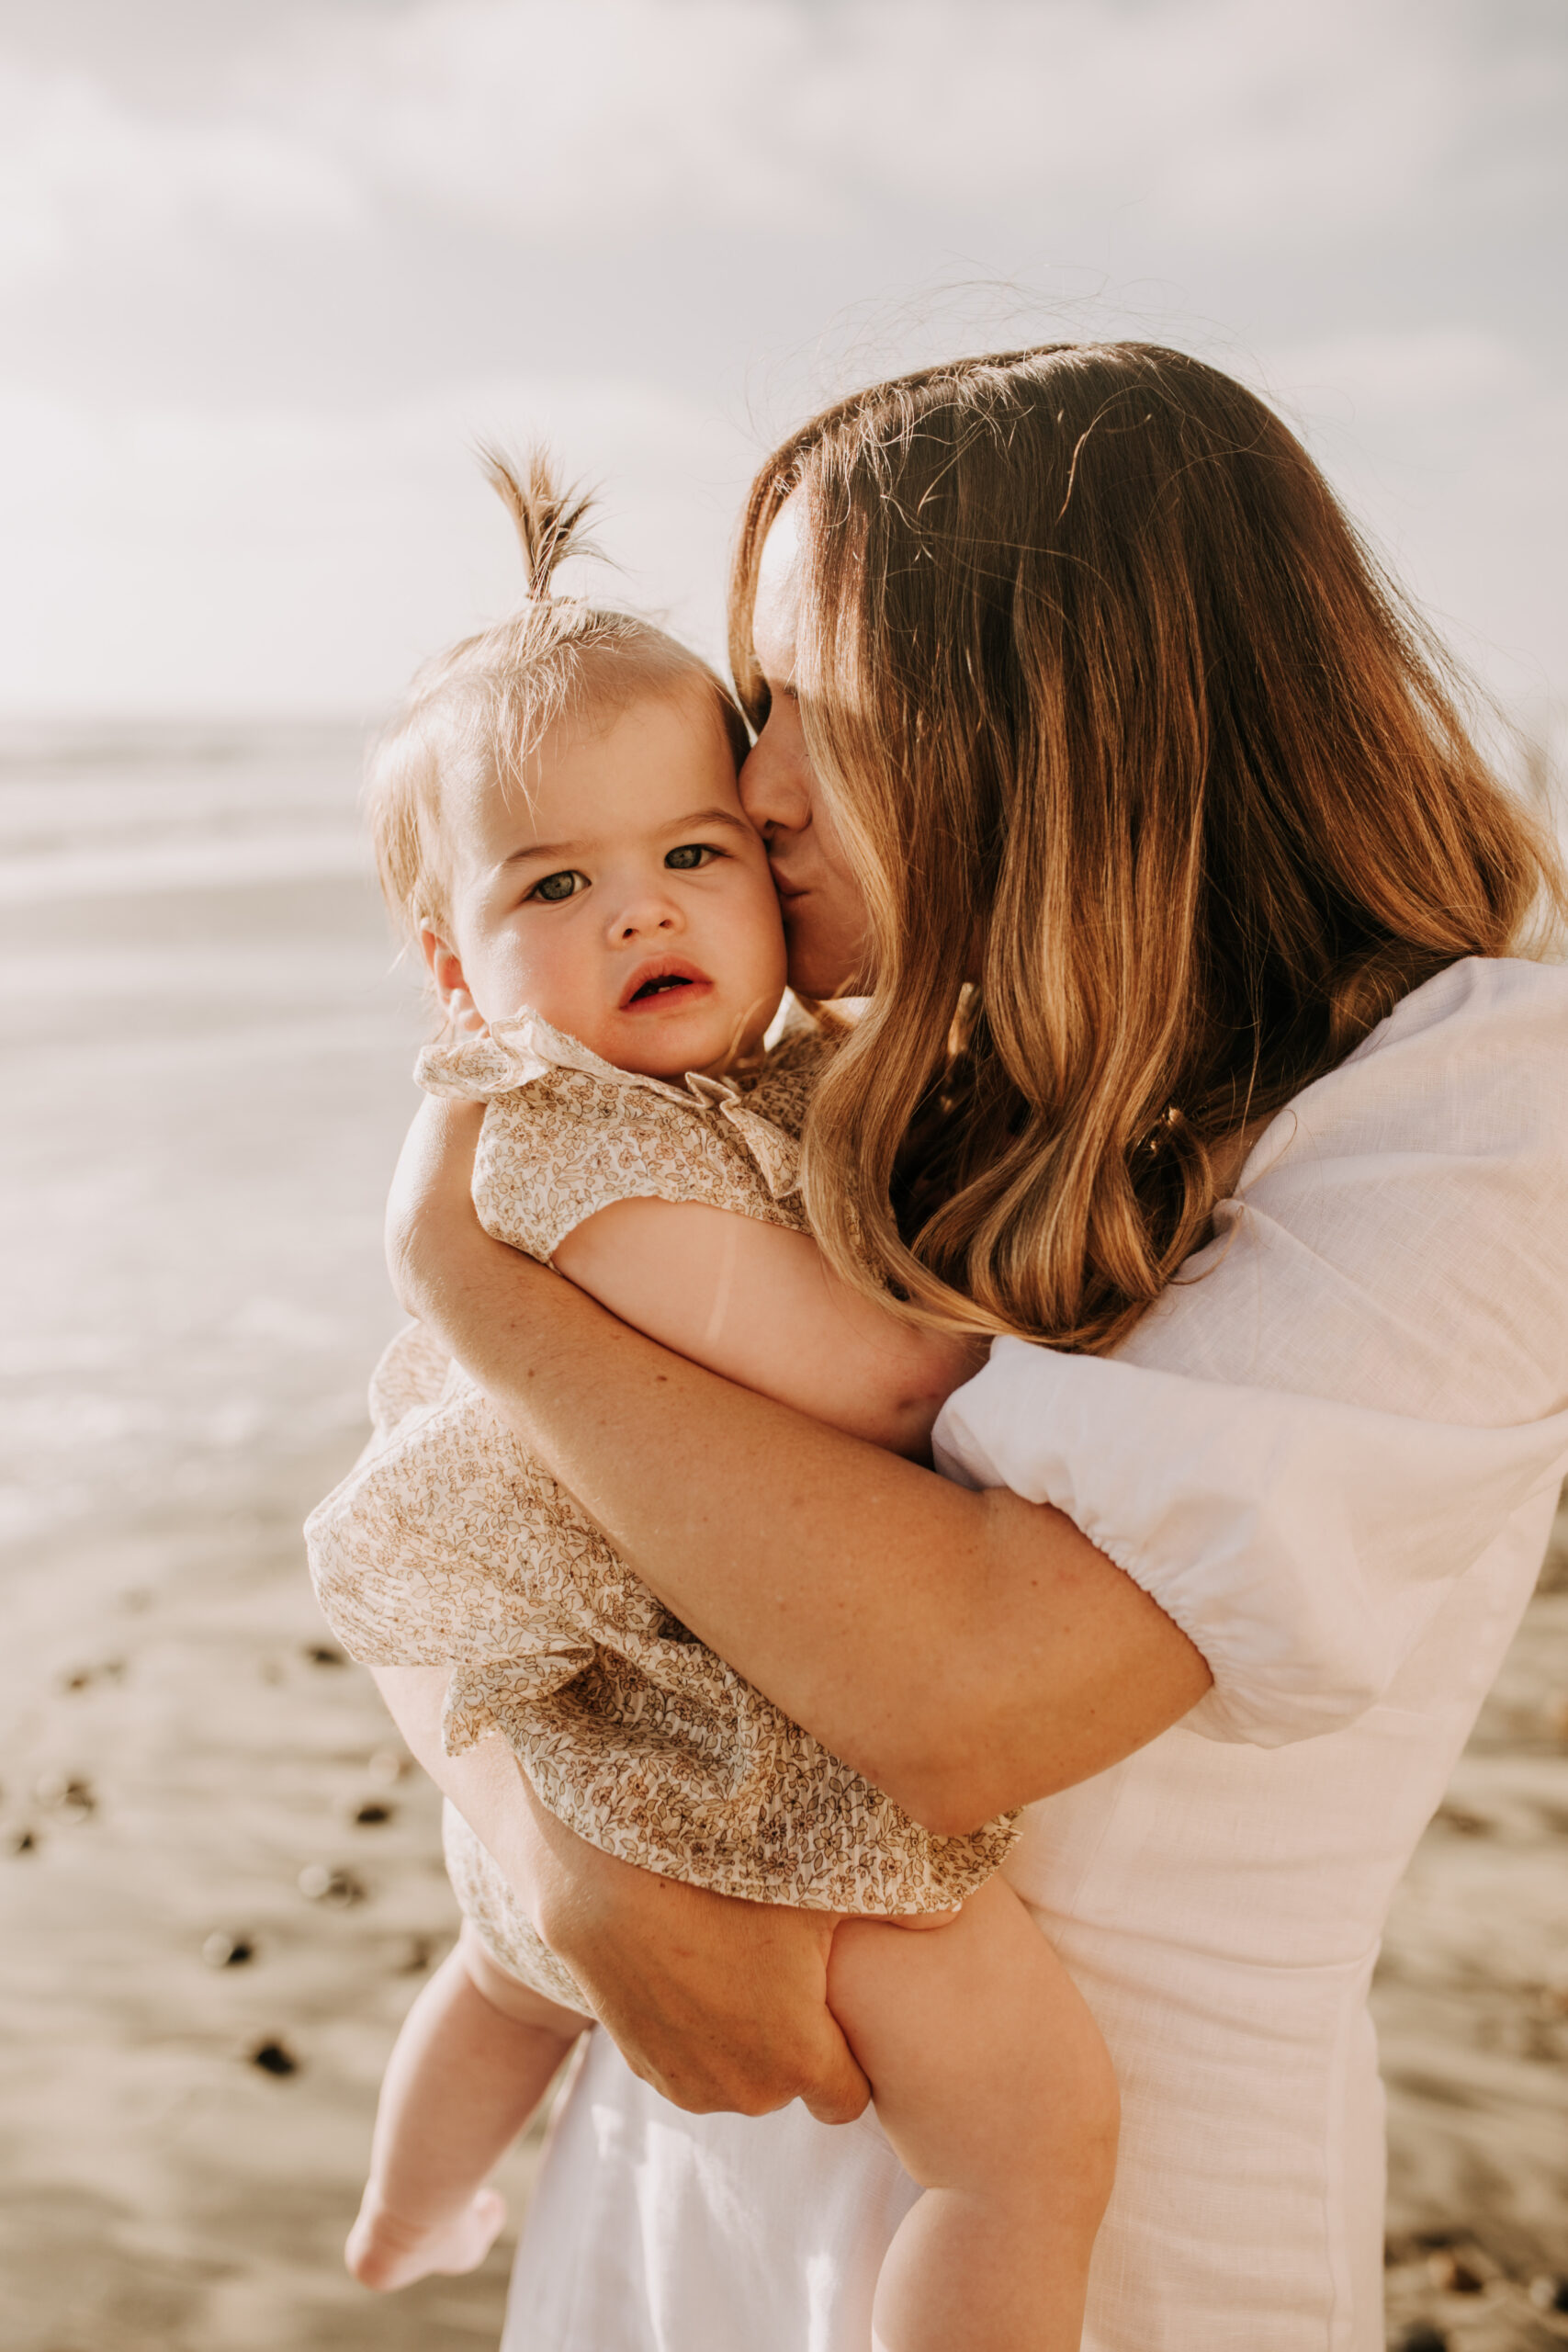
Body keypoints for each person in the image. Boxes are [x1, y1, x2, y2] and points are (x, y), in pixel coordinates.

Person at [368, 345, 1568, 2351]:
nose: (744, 795)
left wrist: (471, 1280)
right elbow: (442, 1519)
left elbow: (968, 1692)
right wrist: (556, 1844)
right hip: (689, 2152)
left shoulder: (1477, 1107)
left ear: (1063, 705)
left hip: (1106, 2243)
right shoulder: (880, 1075)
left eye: (805, 711)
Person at [313, 452, 1116, 2352]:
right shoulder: (577, 1157)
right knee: (1022, 2135)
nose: (638, 912)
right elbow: (876, 1377)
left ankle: (407, 2203)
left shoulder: (736, 1101)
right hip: (703, 1727)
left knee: (506, 1978)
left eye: (692, 853)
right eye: (555, 882)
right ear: (454, 965)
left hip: (617, 1687)